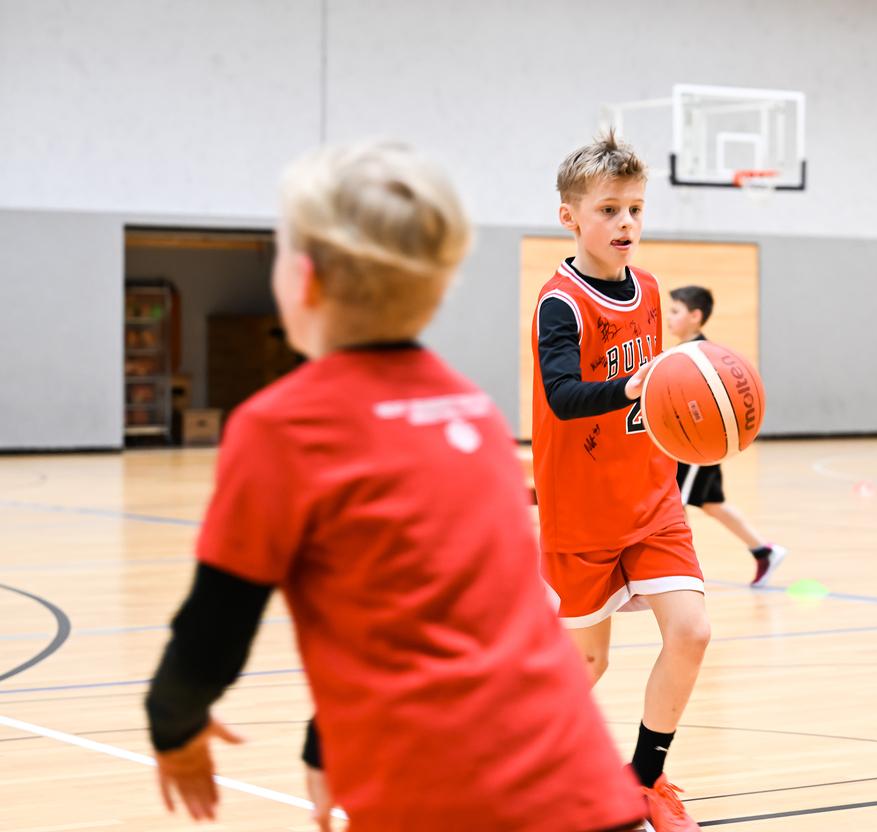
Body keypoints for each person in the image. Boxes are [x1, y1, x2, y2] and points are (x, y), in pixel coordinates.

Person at [143, 139, 645, 832]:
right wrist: (325, 743)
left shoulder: (280, 427)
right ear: (436, 288)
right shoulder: (469, 411)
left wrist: (172, 724)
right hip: (584, 784)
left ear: (305, 281)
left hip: (442, 799)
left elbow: (214, 630)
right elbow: (444, 614)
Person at [532, 131, 710, 832]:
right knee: (587, 664)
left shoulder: (653, 289)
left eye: (635, 209)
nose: (626, 224)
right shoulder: (561, 303)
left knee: (691, 632)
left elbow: (656, 396)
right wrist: (631, 386)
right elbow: (560, 394)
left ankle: (645, 780)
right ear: (570, 216)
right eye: (608, 210)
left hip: (652, 498)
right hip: (582, 511)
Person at [666, 285, 786, 586]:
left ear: (696, 316)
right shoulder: (680, 353)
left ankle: (679, 574)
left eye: (675, 311)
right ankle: (764, 551)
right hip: (694, 443)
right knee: (711, 504)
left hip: (697, 445)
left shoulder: (703, 357)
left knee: (674, 504)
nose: (668, 317)